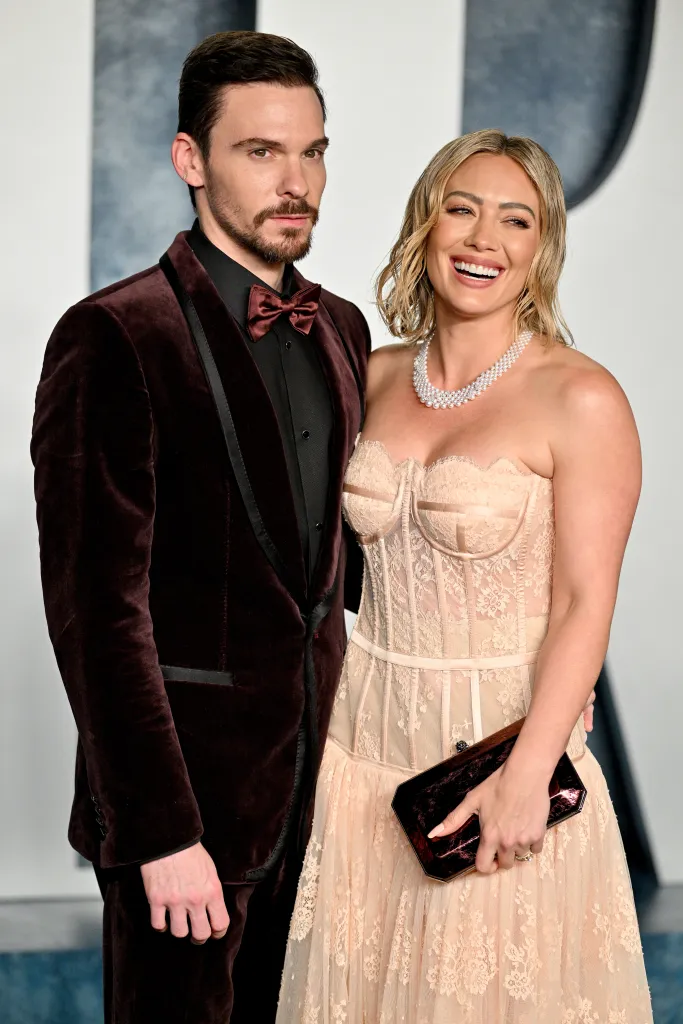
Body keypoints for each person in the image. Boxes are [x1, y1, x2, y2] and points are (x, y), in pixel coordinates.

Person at [31, 30, 370, 1024]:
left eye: (310, 152)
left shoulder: (343, 329)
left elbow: (351, 572)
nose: (295, 181)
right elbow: (97, 614)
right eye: (260, 152)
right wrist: (159, 832)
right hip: (186, 827)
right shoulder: (113, 335)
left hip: (322, 814)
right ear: (190, 159)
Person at [277, 129, 652, 1023]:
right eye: (462, 209)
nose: (484, 239)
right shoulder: (367, 376)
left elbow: (583, 602)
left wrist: (530, 770)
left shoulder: (581, 397)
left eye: (515, 220)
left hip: (499, 752)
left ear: (541, 247)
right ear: (426, 224)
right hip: (358, 747)